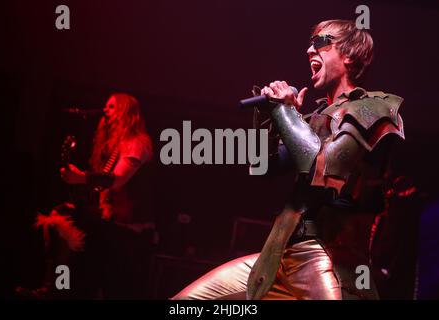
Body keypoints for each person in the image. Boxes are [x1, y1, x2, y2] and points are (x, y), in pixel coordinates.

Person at [172, 19, 405, 300]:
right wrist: (269, 118)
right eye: (310, 43)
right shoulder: (313, 117)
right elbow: (261, 166)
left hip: (327, 258)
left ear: (348, 55)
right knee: (186, 303)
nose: (309, 50)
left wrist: (286, 114)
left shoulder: (373, 108)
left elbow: (323, 168)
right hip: (279, 256)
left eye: (321, 42)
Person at [17, 93, 155, 299]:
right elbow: (101, 185)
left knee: (68, 226)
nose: (105, 111)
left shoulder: (137, 142)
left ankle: (58, 290)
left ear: (126, 112)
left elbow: (116, 180)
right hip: (108, 219)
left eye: (111, 107)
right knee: (60, 218)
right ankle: (55, 287)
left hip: (129, 224)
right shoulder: (114, 147)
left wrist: (81, 178)